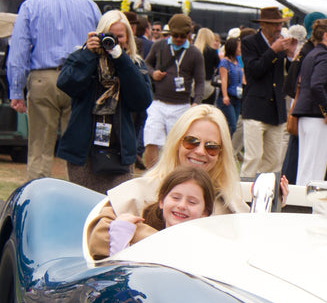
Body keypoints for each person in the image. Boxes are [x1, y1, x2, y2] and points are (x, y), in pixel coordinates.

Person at [87, 104, 247, 259]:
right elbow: (98, 238)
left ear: (220, 154)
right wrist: (167, 243)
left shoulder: (230, 205)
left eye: (211, 147)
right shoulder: (139, 191)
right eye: (191, 141)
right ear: (177, 143)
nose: (200, 151)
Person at [7, 0, 102, 181]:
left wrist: (16, 91)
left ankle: (37, 198)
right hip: (80, 79)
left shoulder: (30, 6)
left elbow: (18, 51)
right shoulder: (89, 6)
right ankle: (78, 194)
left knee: (39, 147)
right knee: (79, 147)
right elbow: (101, 48)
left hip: (42, 79)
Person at [55, 10, 153, 193]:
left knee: (116, 207)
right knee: (84, 203)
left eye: (119, 36)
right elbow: (67, 84)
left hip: (120, 151)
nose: (114, 41)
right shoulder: (82, 56)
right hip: (84, 150)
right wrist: (88, 55)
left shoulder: (134, 64)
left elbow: (142, 101)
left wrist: (121, 59)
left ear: (128, 37)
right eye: (109, 36)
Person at [105, 166, 216, 257]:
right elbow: (121, 272)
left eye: (192, 202)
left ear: (205, 212)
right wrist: (121, 231)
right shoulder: (145, 239)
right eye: (176, 198)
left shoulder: (205, 249)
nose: (182, 206)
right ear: (162, 201)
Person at [142, 13, 205, 168]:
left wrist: (196, 102)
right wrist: (153, 73)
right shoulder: (159, 45)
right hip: (158, 102)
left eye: (182, 36)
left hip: (181, 106)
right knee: (151, 140)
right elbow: (145, 65)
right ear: (170, 33)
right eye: (175, 35)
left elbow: (200, 81)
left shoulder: (195, 53)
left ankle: (173, 177)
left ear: (189, 35)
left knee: (178, 147)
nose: (178, 39)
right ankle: (153, 177)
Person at [285, 17, 327, 186]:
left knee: (306, 164)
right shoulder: (325, 57)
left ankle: (303, 205)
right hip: (317, 117)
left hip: (307, 115)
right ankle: (307, 207)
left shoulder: (312, 54)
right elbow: (317, 85)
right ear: (326, 35)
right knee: (314, 167)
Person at [240, 7, 290, 178]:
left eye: (280, 24)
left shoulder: (281, 43)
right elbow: (254, 70)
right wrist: (273, 51)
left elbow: (290, 75)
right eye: (275, 25)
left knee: (274, 161)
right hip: (255, 108)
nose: (279, 28)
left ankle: (268, 199)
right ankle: (245, 198)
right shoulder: (249, 42)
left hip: (276, 110)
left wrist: (291, 56)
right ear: (263, 24)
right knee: (253, 158)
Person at [217, 36, 244, 135]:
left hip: (237, 97)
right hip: (228, 97)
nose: (240, 49)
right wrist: (225, 96)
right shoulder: (225, 62)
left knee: (234, 125)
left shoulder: (237, 62)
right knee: (231, 124)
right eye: (239, 47)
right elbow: (224, 79)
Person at [193, 27, 220, 105]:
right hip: (208, 85)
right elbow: (218, 67)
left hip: (193, 84)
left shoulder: (192, 51)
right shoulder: (212, 52)